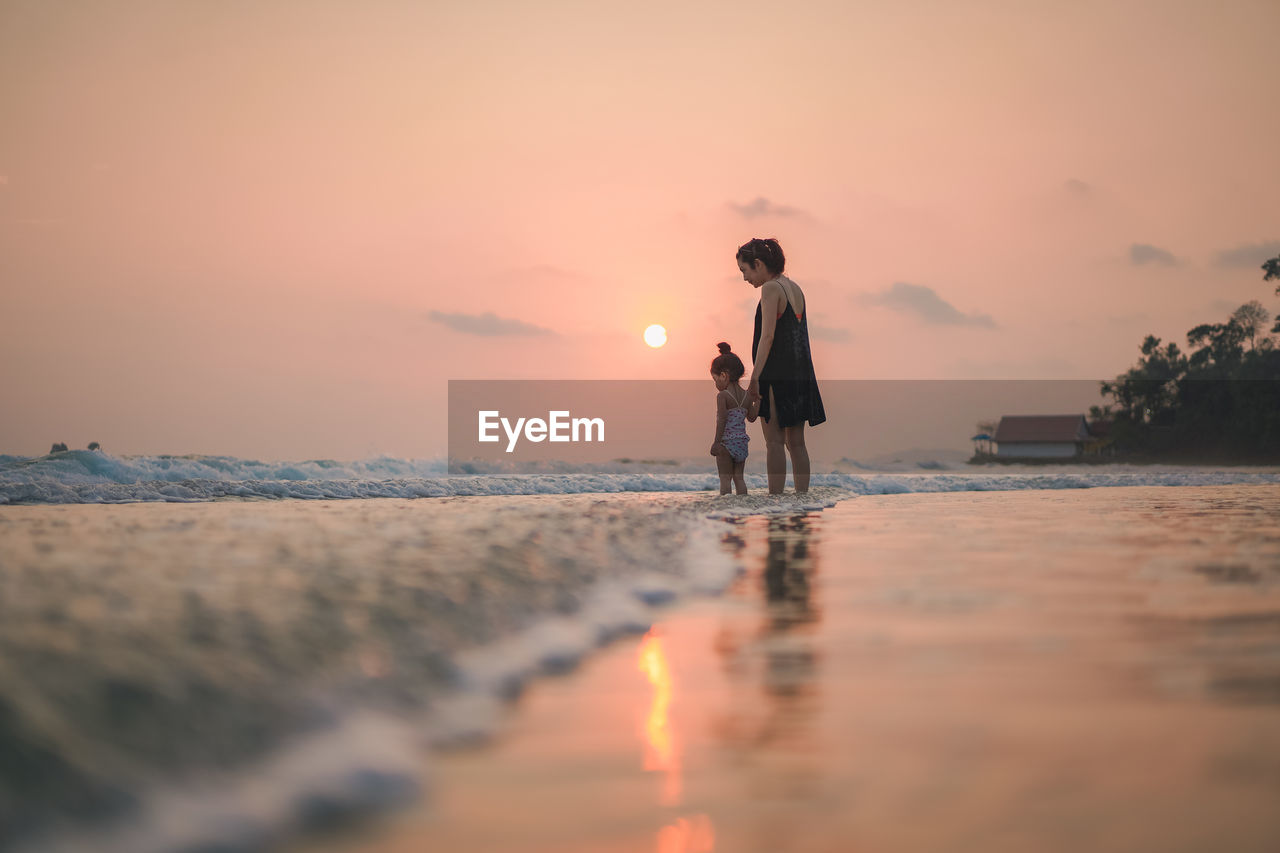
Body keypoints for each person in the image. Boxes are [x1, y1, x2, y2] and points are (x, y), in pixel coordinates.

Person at [737, 237, 826, 494]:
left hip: (777, 373)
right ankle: (801, 500)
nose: (745, 278)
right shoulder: (795, 288)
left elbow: (768, 336)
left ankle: (774, 502)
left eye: (745, 270)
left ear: (758, 263)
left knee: (774, 443)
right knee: (797, 444)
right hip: (801, 372)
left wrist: (755, 378)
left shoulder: (771, 288)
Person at [709, 342, 759, 495]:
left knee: (725, 479)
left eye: (715, 379)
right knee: (739, 478)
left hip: (726, 443)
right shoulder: (746, 395)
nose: (716, 384)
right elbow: (751, 417)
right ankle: (742, 507)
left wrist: (717, 442)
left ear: (723, 376)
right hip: (742, 443)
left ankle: (727, 508)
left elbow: (722, 420)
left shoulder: (723, 396)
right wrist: (758, 401)